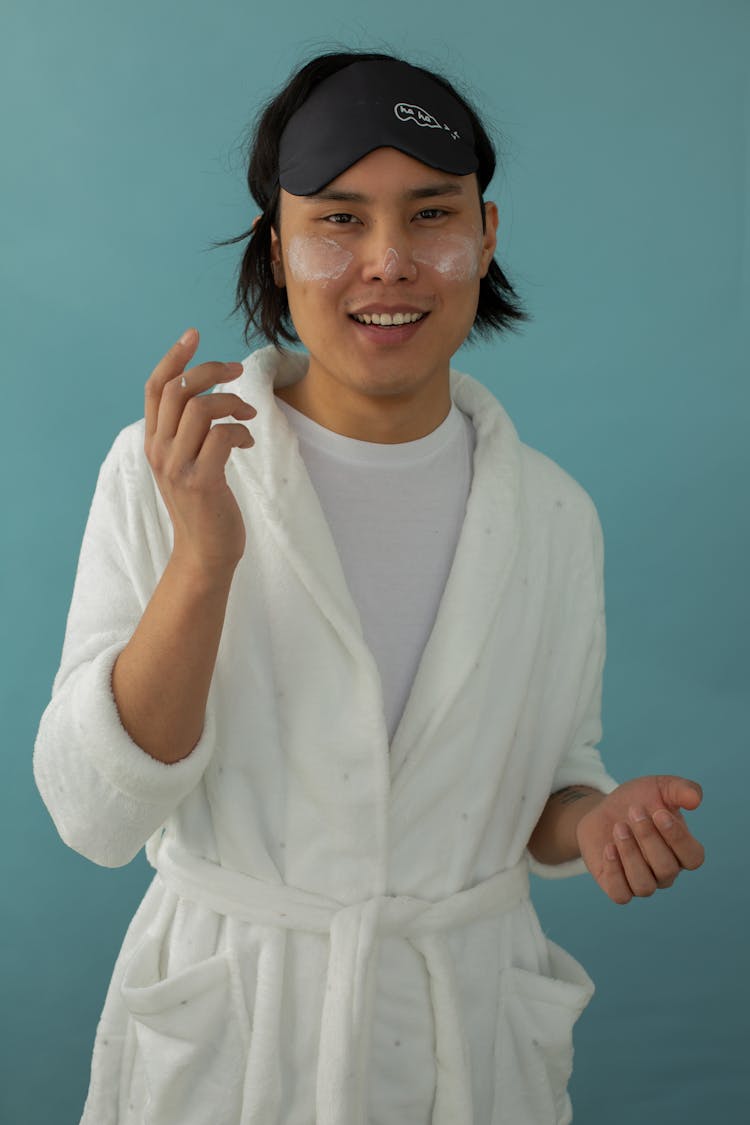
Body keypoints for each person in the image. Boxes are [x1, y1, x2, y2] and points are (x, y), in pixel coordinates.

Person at [33, 50, 705, 1125]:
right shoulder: (165, 469)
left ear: (486, 238)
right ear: (278, 248)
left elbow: (547, 781)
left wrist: (593, 822)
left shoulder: (552, 515)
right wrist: (205, 559)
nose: (388, 263)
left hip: (466, 1040)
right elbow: (92, 812)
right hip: (236, 1041)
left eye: (431, 215)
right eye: (339, 221)